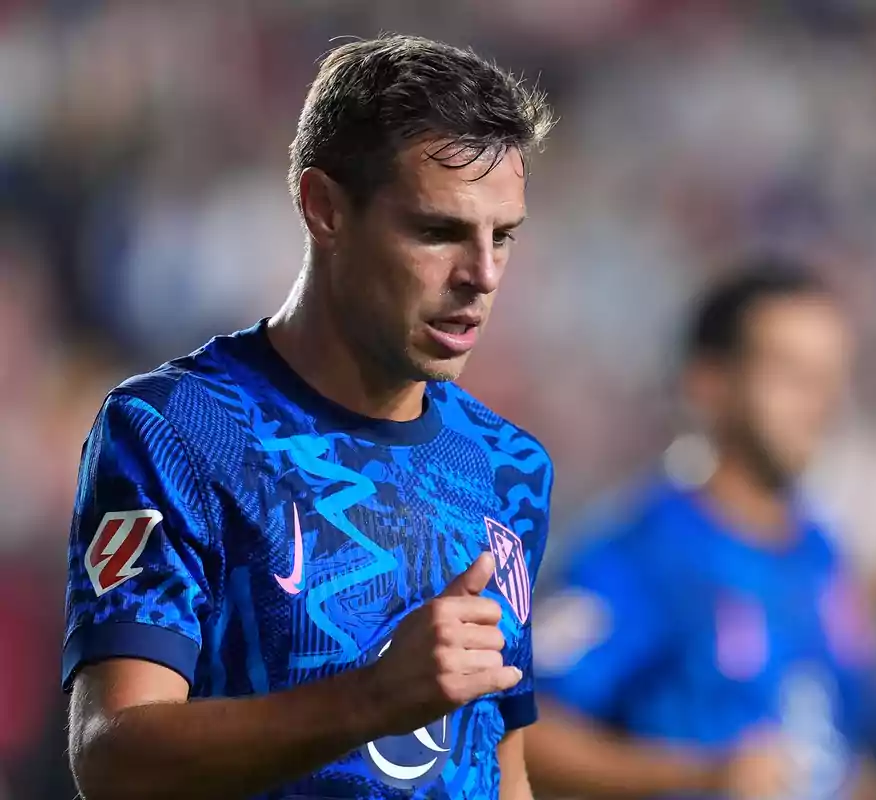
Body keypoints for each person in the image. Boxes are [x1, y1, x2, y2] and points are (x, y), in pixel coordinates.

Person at [62, 35, 555, 800]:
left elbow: (501, 762)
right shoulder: (177, 430)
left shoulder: (510, 465)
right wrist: (370, 699)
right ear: (324, 208)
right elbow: (112, 757)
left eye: (504, 237)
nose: (482, 276)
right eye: (438, 231)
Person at [525, 262, 874, 800]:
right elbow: (525, 727)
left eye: (830, 378)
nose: (818, 403)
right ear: (710, 383)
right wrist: (702, 777)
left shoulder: (820, 554)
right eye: (792, 376)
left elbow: (819, 753)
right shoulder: (646, 551)